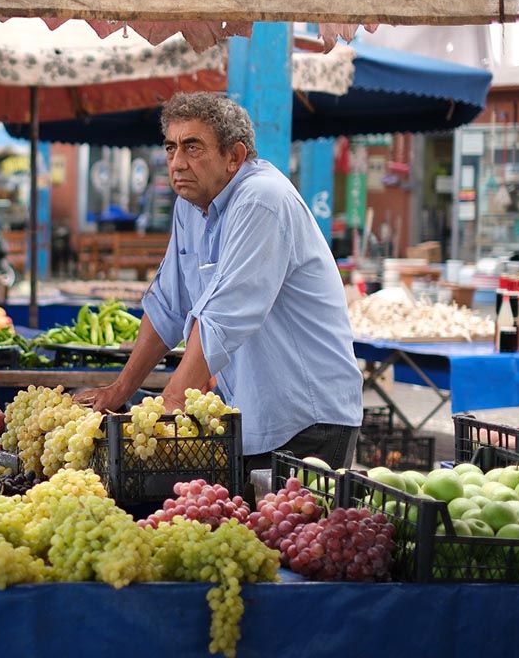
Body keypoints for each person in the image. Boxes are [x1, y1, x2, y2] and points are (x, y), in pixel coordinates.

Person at [75, 92, 363, 477]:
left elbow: (226, 314)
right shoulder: (189, 207)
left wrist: (170, 404)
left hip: (308, 420)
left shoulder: (262, 199)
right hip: (252, 418)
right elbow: (168, 306)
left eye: (193, 147)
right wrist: (120, 392)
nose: (177, 162)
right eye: (171, 147)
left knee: (287, 535)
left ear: (234, 157)